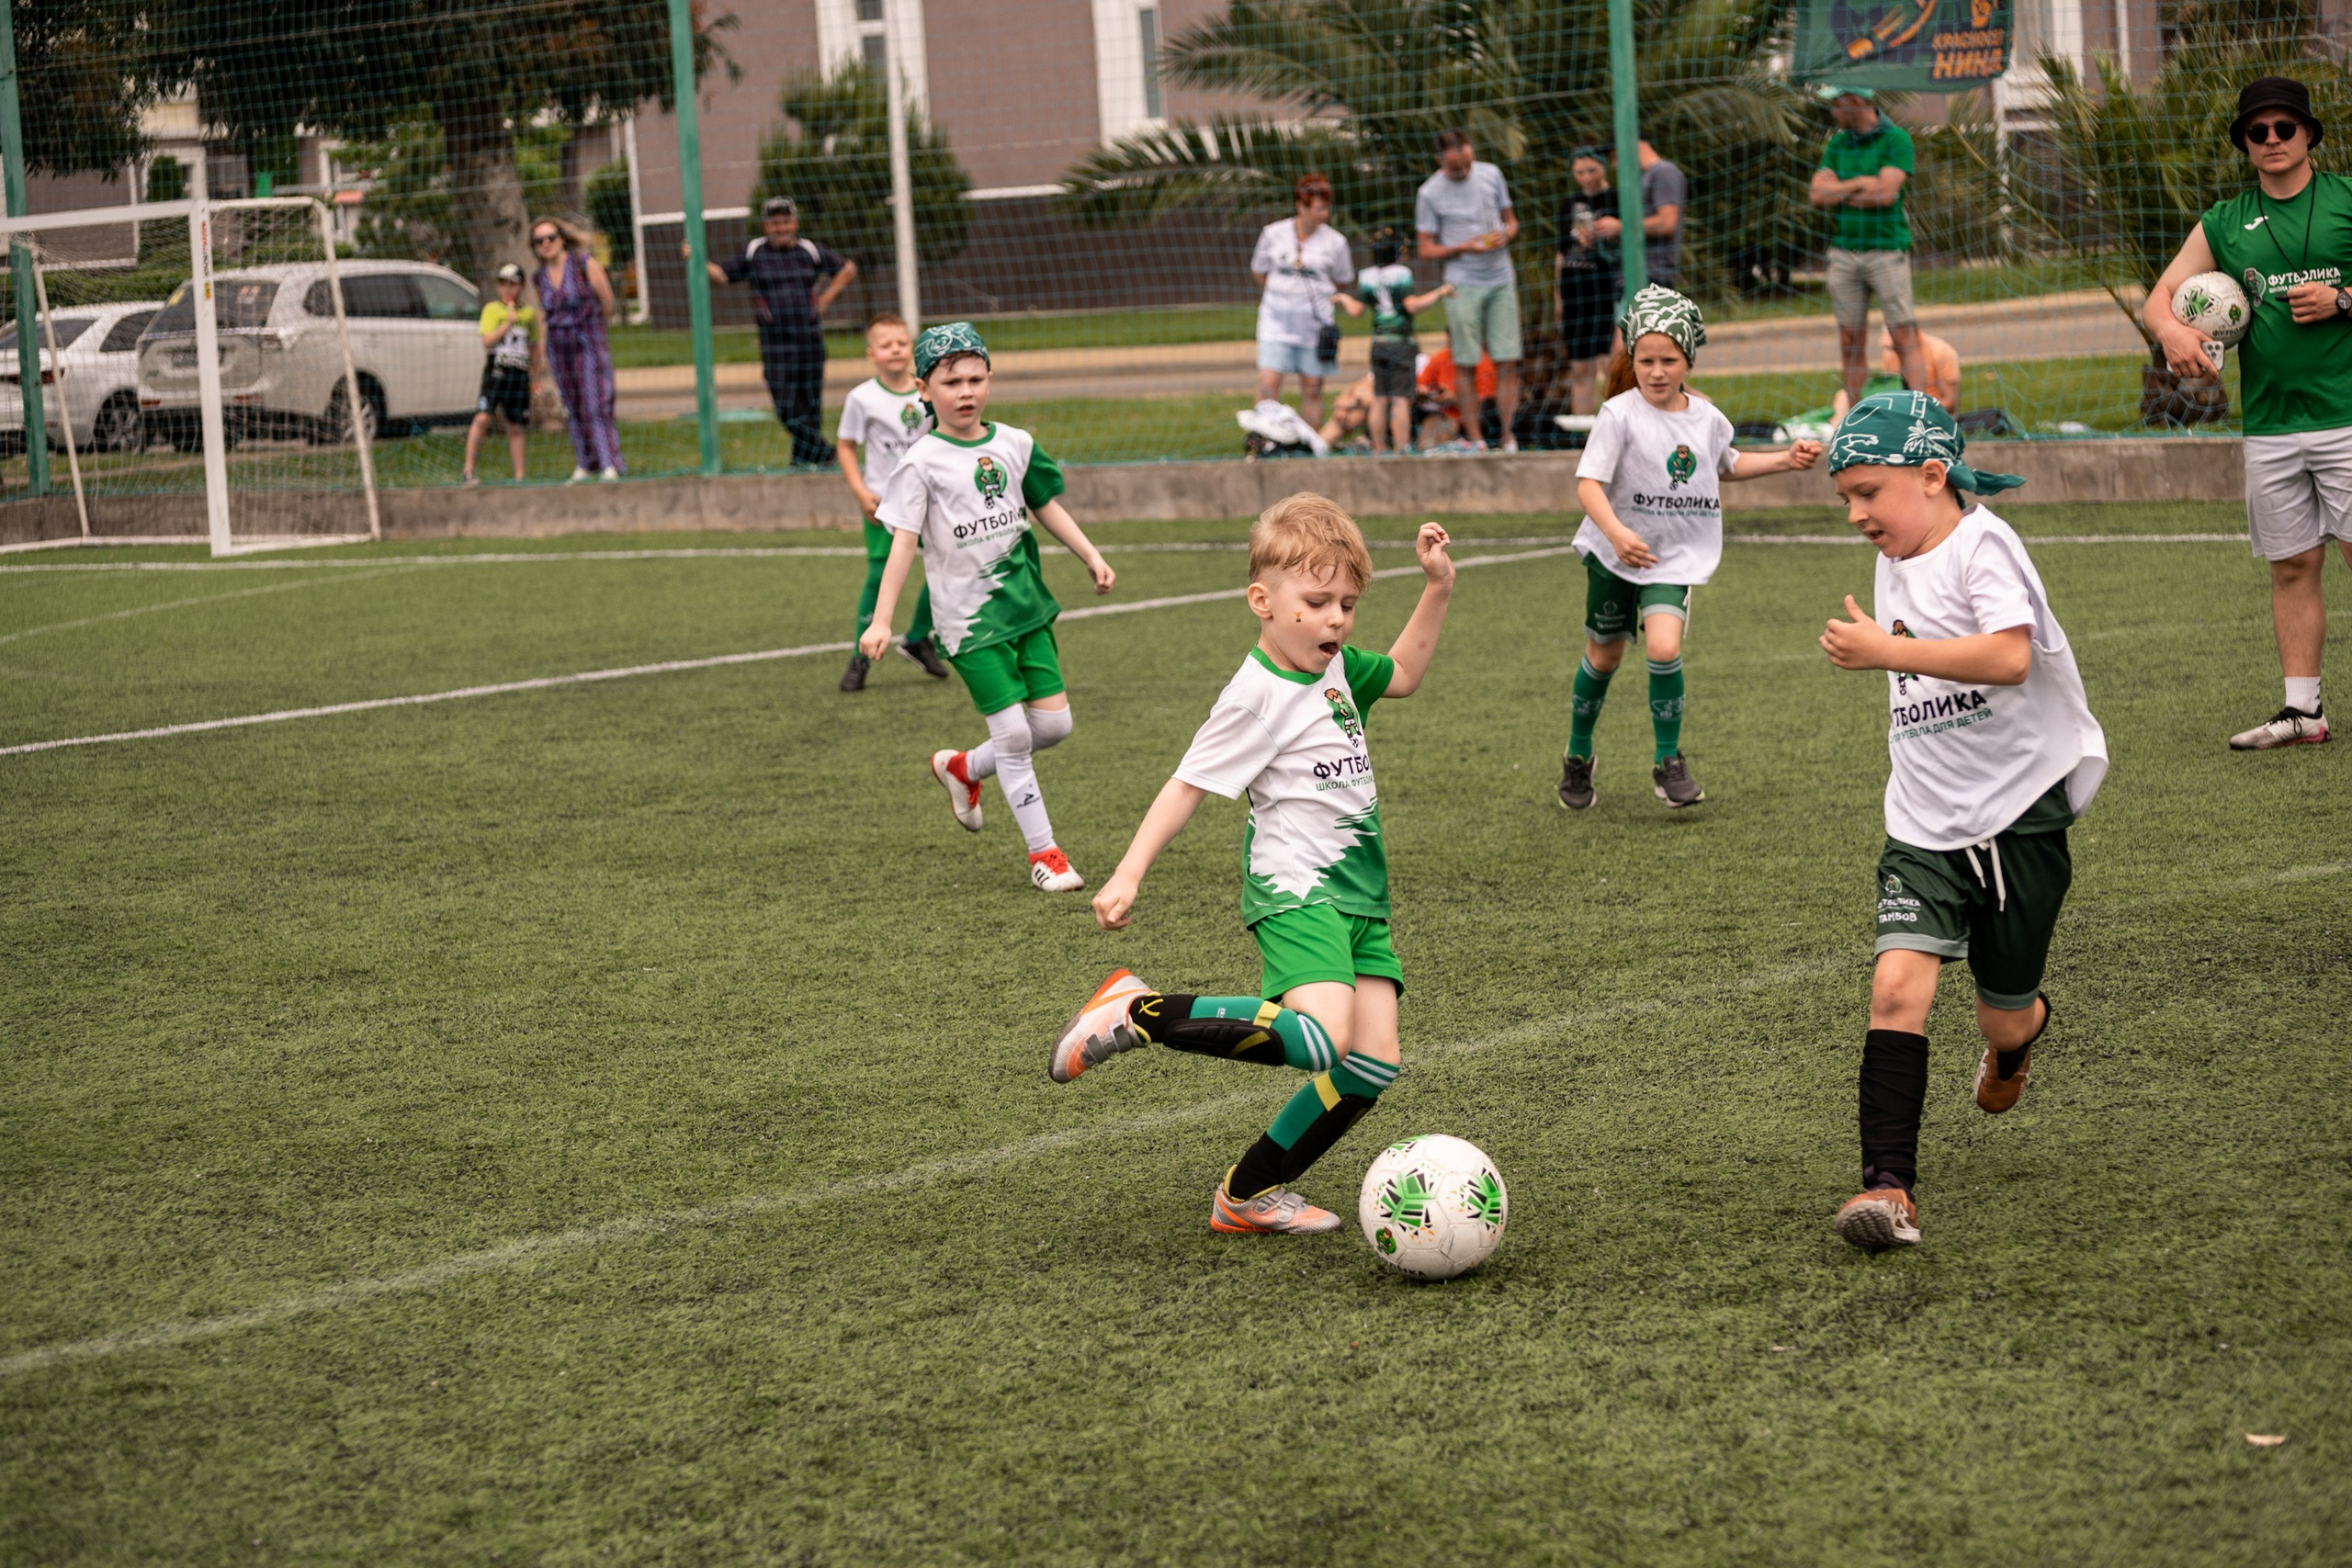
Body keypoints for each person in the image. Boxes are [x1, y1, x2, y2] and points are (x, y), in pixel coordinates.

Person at [1049, 497, 1457, 1236]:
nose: (1336, 619)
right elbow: (1187, 785)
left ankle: (1247, 1193)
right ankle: (1137, 1009)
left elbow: (1401, 674)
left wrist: (1437, 588)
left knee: (1372, 1061)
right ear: (1263, 603)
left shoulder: (1335, 671)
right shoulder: (1256, 696)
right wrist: (1129, 872)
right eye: (1317, 601)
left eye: (1347, 604)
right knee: (1320, 1034)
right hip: (1297, 890)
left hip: (1363, 898)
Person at [1815, 391, 2108, 1250]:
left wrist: (1887, 651)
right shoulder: (1897, 548)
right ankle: (1887, 1188)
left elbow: (2009, 657)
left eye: (1869, 491)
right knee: (1897, 988)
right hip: (1923, 822)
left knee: (1999, 1017)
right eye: (1846, 499)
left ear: (1933, 475)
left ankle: (2021, 1041)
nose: (1858, 513)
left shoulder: (1985, 545)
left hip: (2019, 814)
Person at [859, 323, 1116, 893]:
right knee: (1016, 739)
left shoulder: (1016, 443)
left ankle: (962, 768)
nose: (965, 391)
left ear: (990, 380)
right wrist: (882, 620)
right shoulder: (922, 460)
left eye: (976, 379)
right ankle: (1044, 855)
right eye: (951, 382)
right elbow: (903, 541)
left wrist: (1090, 556)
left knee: (1054, 725)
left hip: (1026, 608)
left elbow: (1044, 504)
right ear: (924, 389)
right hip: (968, 623)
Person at [2144, 76, 2352, 750]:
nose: (2270, 140)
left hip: (2346, 417)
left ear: (2309, 135)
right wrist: (2172, 334)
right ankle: (2303, 712)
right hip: (2270, 426)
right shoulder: (2225, 222)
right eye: (2256, 132)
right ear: (2244, 143)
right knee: (2291, 566)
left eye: (2283, 129)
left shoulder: (2348, 201)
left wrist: (2344, 300)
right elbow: (2162, 296)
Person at [1559, 287, 1823, 812]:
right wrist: (1616, 533)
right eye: (1646, 360)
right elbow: (1588, 484)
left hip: (1670, 557)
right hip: (1614, 555)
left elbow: (1727, 463)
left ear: (1688, 360)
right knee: (1604, 656)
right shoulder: (1618, 415)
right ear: (1631, 358)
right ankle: (1578, 754)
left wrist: (1784, 460)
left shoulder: (1704, 416)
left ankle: (1667, 761)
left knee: (1663, 648)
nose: (1656, 372)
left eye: (1669, 360)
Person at [834, 311, 950, 692]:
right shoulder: (861, 398)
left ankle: (918, 637)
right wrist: (859, 490)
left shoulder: (929, 392)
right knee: (878, 574)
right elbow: (846, 446)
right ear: (872, 354)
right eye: (886, 345)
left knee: (949, 563)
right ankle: (859, 655)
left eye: (902, 343)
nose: (896, 350)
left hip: (931, 496)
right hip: (883, 502)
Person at [702, 196, 856, 468]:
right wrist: (696, 260)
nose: (781, 228)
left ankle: (801, 463)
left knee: (810, 407)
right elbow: (722, 276)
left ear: (795, 224)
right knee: (786, 407)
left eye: (785, 222)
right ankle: (825, 452)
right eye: (775, 223)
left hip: (809, 341)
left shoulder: (810, 250)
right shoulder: (753, 252)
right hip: (774, 344)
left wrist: (825, 301)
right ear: (765, 226)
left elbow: (847, 269)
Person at [1810, 86, 1930, 409]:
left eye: (1836, 105)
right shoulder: (1837, 143)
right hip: (1844, 253)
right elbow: (1818, 195)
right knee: (1849, 340)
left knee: (1903, 334)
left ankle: (1922, 412)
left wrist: (1841, 189)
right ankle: (1853, 415)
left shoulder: (1896, 140)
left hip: (1887, 252)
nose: (1832, 112)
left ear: (1856, 102)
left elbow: (1886, 194)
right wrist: (1862, 183)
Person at [1417, 130, 1522, 452]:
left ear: (1471, 150)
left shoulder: (1492, 174)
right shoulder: (1429, 193)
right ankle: (1475, 437)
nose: (1463, 170)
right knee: (1465, 361)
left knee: (1507, 359)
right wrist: (1462, 247)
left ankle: (1508, 435)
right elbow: (1425, 248)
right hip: (1462, 282)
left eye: (1466, 162)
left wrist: (1507, 234)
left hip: (1501, 278)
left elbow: (1511, 221)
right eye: (1455, 167)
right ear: (1441, 160)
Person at [1250, 174, 1364, 431]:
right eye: (1318, 209)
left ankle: (1309, 442)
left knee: (1312, 386)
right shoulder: (1273, 234)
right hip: (1275, 321)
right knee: (1268, 382)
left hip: (1315, 327)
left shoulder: (1336, 242)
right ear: (1300, 206)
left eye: (1327, 208)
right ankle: (1264, 437)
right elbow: (1258, 271)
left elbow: (1343, 280)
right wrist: (1282, 292)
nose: (1324, 214)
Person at [530, 217, 623, 482]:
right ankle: (585, 463)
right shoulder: (539, 278)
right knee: (573, 405)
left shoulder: (584, 264)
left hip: (588, 342)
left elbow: (607, 302)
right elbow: (545, 314)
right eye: (539, 240)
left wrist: (593, 330)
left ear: (562, 238)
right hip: (559, 347)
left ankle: (609, 463)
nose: (546, 243)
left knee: (596, 403)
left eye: (551, 237)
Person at [1355, 224, 1453, 454]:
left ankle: (1378, 448)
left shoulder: (1366, 276)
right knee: (1400, 399)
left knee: (1380, 398)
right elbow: (1411, 305)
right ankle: (1401, 449)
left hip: (1378, 342)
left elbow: (1357, 309)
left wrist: (1340, 298)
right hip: (1400, 342)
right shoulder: (1401, 274)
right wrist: (1439, 293)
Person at [1555, 148, 1620, 417]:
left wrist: (1601, 238)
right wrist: (1557, 296)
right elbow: (1560, 252)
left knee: (1609, 363)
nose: (1586, 177)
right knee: (1581, 367)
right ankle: (1582, 435)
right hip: (1573, 289)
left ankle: (1617, 424)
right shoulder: (1569, 203)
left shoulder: (1616, 197)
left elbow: (1627, 238)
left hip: (1604, 286)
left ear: (1604, 168)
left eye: (1591, 170)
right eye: (1580, 172)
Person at [463, 263, 537, 487]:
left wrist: (535, 376)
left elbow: (534, 347)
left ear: (522, 286)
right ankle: (468, 470)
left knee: (515, 425)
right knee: (483, 417)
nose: (508, 289)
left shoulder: (529, 314)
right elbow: (487, 341)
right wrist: (507, 324)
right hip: (497, 373)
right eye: (503, 284)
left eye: (513, 284)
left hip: (519, 375)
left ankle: (520, 476)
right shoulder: (492, 310)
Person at [1593, 138, 1684, 300]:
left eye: (1615, 156)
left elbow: (1668, 222)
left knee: (1637, 327)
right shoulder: (1639, 178)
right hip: (1630, 274)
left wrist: (1620, 226)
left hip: (1652, 276)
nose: (1614, 165)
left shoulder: (1663, 172)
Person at [1832, 325, 1962, 416]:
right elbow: (1891, 390)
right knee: (1843, 397)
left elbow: (1950, 403)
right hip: (1900, 407)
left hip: (1930, 410)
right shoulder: (1890, 353)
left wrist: (1915, 409)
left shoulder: (1941, 351)